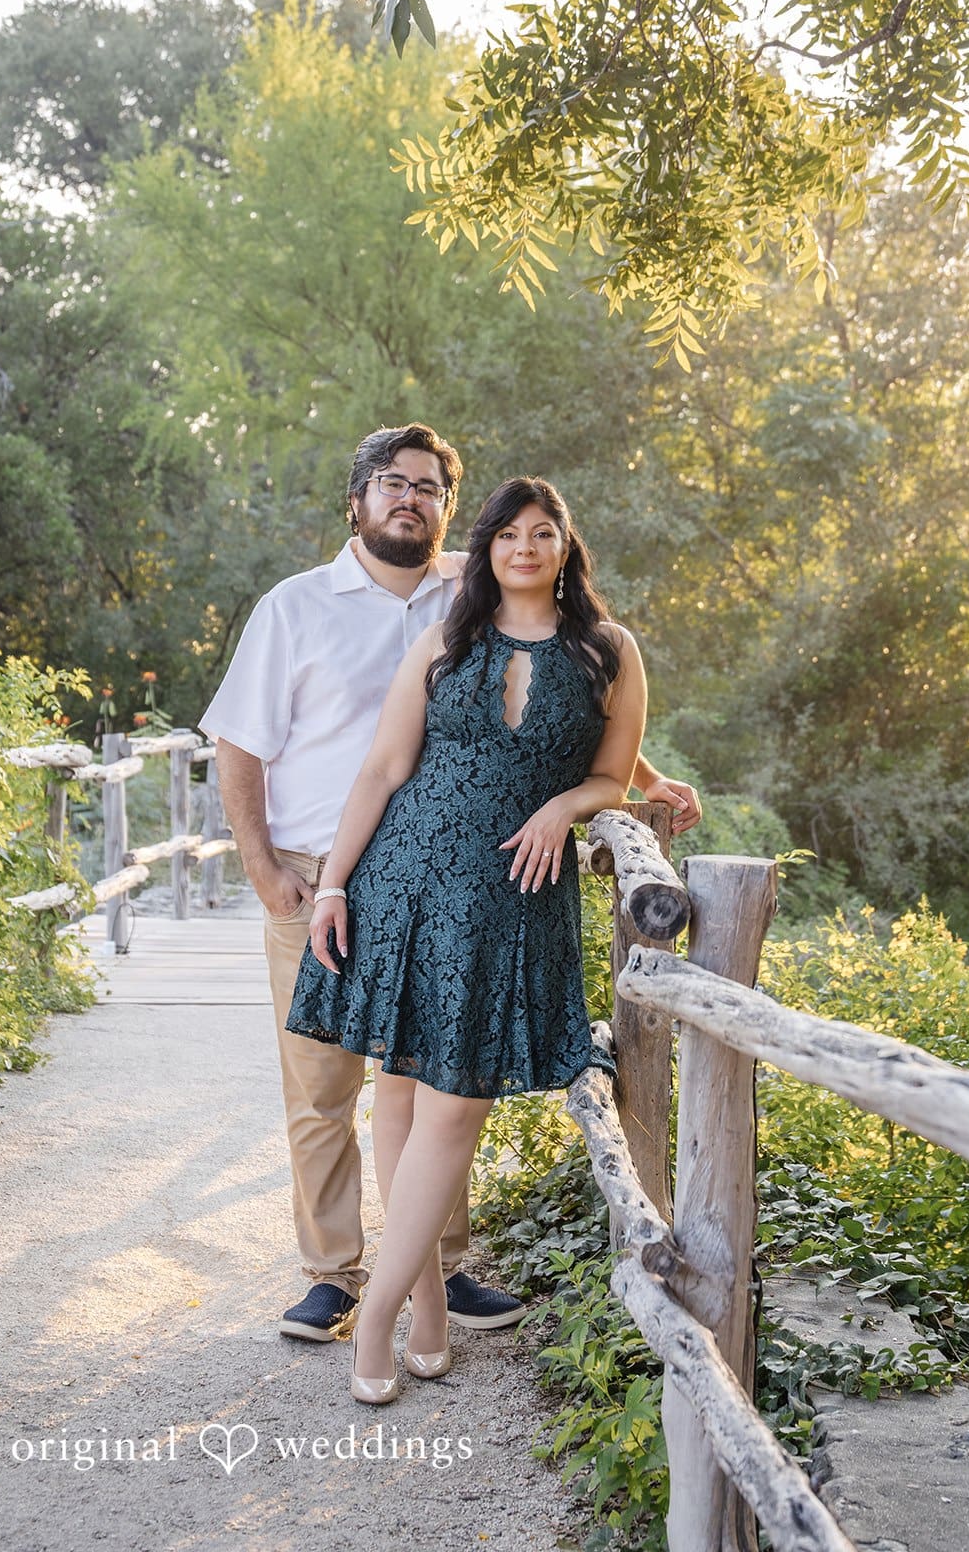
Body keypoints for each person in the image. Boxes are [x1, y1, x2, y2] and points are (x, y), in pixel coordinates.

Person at [200, 425, 700, 1345]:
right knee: (323, 1088)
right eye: (391, 484)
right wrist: (267, 867)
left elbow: (568, 678)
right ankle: (335, 1274)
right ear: (356, 500)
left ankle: (436, 1266)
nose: (408, 499)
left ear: (445, 508)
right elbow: (239, 742)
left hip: (457, 879)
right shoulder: (295, 607)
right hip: (325, 871)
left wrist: (642, 780)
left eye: (427, 488)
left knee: (433, 1074)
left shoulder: (468, 584)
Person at [286, 475, 656, 1404]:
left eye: (543, 533)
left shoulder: (608, 651)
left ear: (566, 548)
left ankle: (377, 1317)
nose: (524, 547)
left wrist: (564, 807)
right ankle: (424, 1312)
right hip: (405, 881)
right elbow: (381, 768)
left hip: (512, 897)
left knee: (452, 1108)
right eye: (508, 534)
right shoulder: (443, 642)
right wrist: (333, 884)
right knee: (401, 1096)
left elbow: (614, 776)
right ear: (487, 549)